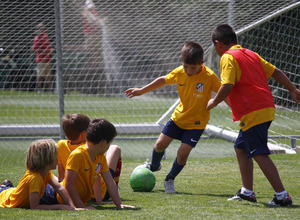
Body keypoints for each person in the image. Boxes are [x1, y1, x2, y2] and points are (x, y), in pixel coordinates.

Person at [207, 24, 300, 206]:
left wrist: (214, 101)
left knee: (259, 153)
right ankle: (247, 192)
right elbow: (275, 72)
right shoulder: (251, 54)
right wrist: (293, 89)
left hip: (253, 111)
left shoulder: (227, 57)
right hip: (266, 107)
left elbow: (227, 85)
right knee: (241, 147)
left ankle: (282, 196)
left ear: (218, 44)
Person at [126, 41, 226, 193]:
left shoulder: (209, 77)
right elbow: (162, 80)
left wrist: (234, 108)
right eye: (186, 66)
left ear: (202, 63)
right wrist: (141, 90)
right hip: (178, 119)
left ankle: (170, 179)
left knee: (183, 153)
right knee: (160, 145)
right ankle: (154, 166)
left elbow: (224, 93)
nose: (188, 70)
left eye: (193, 67)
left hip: (197, 124)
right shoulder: (180, 72)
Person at [58, 118, 134, 209]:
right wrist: (81, 206)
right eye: (109, 144)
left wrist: (119, 204)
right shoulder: (77, 155)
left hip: (81, 199)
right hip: (58, 198)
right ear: (103, 143)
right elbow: (68, 185)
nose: (109, 147)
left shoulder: (100, 157)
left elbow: (110, 182)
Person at [0, 139, 76, 210]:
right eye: (56, 155)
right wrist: (60, 206)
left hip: (10, 192)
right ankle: (5, 187)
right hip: (4, 198)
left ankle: (7, 186)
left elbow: (59, 188)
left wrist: (72, 207)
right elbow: (35, 206)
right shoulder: (35, 179)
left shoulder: (46, 173)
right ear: (47, 159)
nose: (58, 158)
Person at [32, 23, 54, 92]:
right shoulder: (37, 39)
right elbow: (35, 50)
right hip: (41, 60)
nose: (43, 30)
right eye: (41, 29)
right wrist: (45, 51)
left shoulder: (46, 37)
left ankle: (51, 90)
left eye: (44, 29)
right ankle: (40, 89)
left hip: (48, 60)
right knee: (40, 76)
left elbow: (49, 47)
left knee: (48, 76)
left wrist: (51, 50)